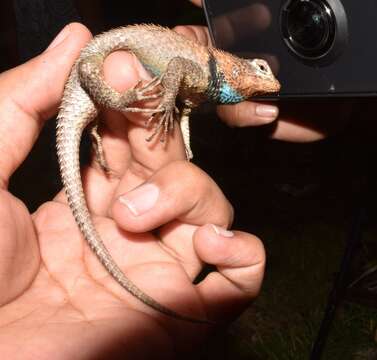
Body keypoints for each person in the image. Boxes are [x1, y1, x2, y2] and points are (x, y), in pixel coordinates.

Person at [0, 22, 268, 359]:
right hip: (92, 76)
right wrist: (133, 99)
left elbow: (184, 105)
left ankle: (102, 123)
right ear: (239, 65)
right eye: (260, 69)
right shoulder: (204, 67)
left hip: (96, 89)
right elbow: (178, 66)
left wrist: (180, 133)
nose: (267, 81)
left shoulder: (207, 82)